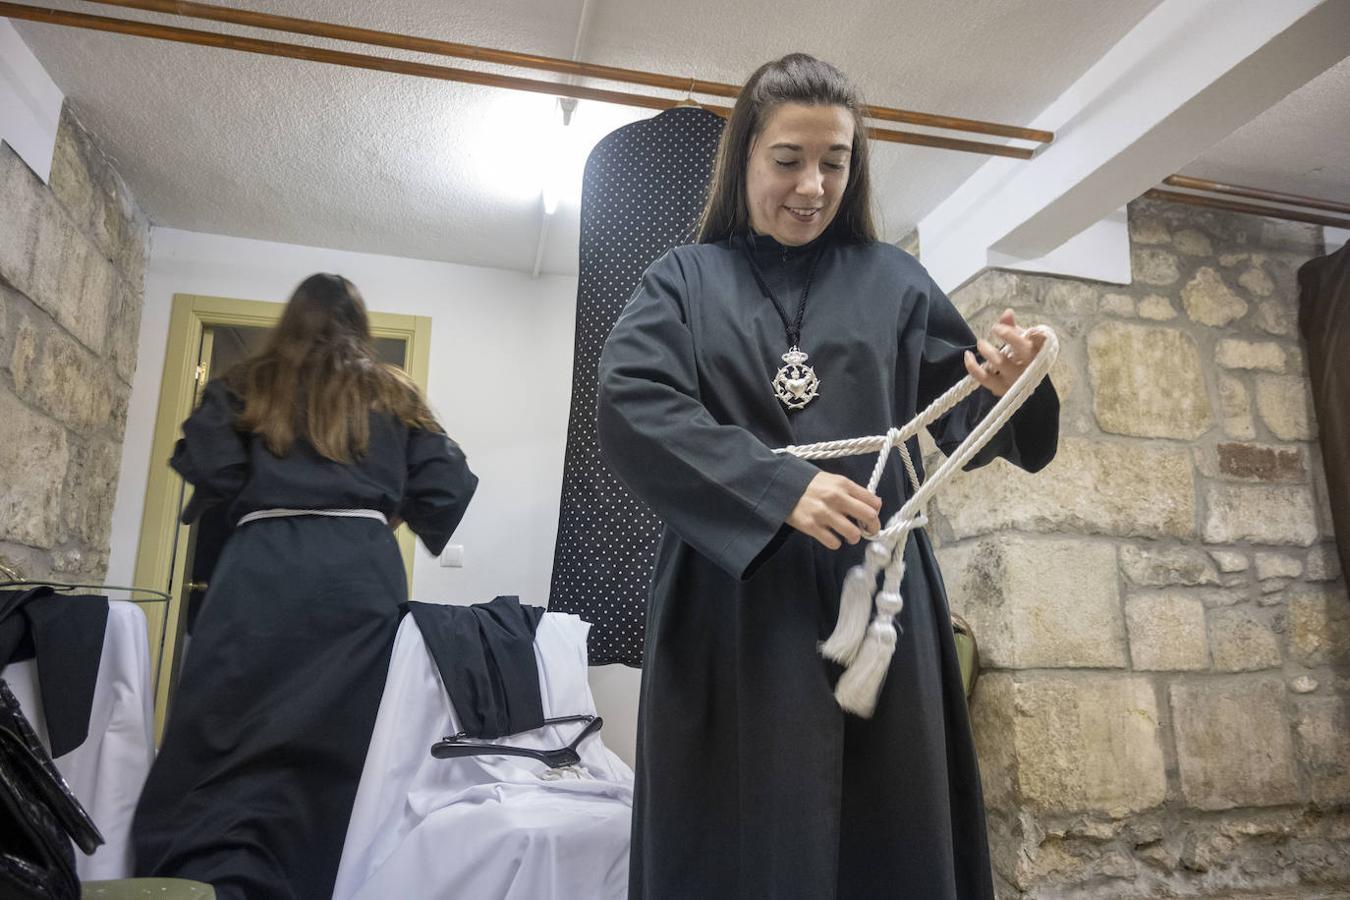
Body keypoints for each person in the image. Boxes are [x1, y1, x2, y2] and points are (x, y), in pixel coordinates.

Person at [598, 53, 1058, 898]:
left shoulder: (894, 280)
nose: (812, 185)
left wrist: (1010, 384)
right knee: (742, 826)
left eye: (835, 162)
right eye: (788, 160)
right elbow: (630, 402)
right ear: (744, 160)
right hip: (732, 598)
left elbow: (961, 418)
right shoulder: (683, 281)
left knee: (889, 827)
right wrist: (777, 491)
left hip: (875, 594)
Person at [132, 273, 478, 900]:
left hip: (261, 567)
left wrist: (279, 500)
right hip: (358, 574)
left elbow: (216, 474)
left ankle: (206, 881)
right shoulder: (391, 391)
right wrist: (373, 512)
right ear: (360, 326)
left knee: (230, 730)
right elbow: (446, 484)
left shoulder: (245, 384)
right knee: (344, 733)